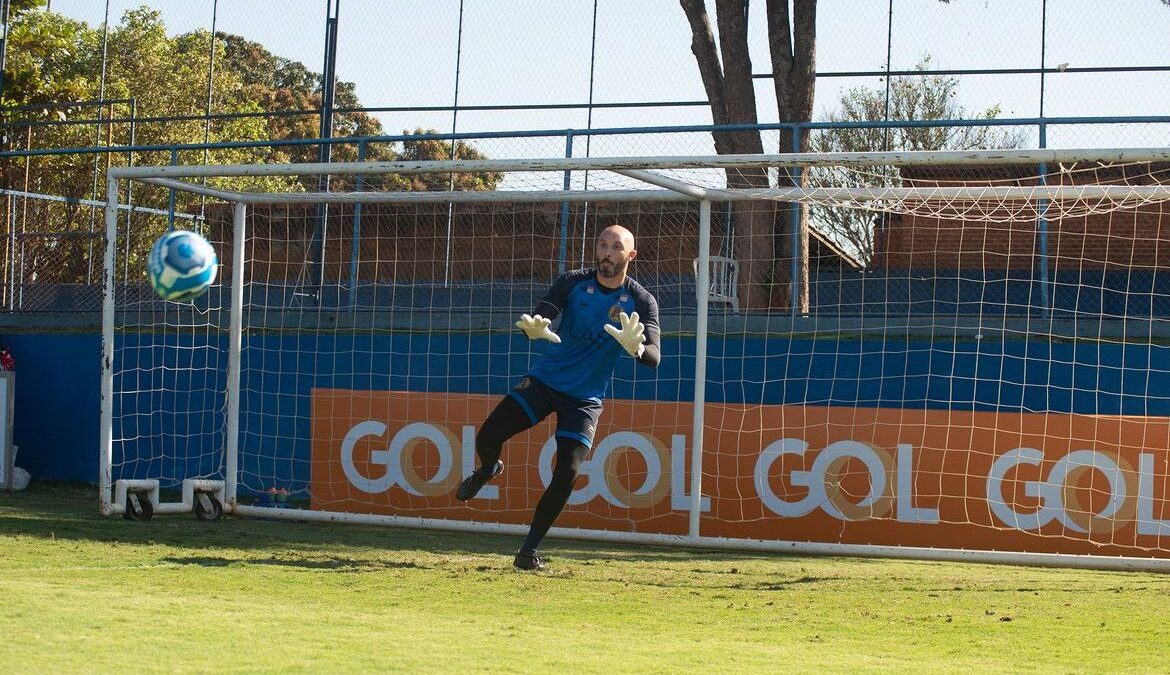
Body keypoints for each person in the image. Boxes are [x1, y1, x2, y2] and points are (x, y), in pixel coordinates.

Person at [456, 224, 661, 571]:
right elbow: (540, 317)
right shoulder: (572, 282)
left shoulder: (641, 300)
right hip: (545, 382)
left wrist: (637, 347)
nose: (606, 253)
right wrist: (535, 329)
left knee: (567, 471)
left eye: (615, 247)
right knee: (488, 435)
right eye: (602, 245)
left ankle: (528, 551)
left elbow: (654, 358)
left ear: (631, 256)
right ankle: (489, 468)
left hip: (584, 400)